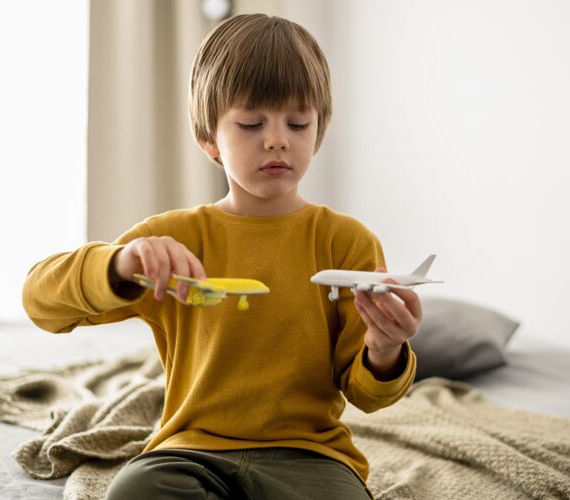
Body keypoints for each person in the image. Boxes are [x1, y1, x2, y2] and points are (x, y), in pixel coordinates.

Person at [23, 13, 422, 500]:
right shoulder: (170, 239)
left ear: (318, 130)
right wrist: (119, 264)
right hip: (190, 452)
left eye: (298, 123)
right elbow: (39, 303)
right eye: (252, 123)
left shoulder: (347, 241)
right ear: (208, 137)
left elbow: (366, 393)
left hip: (311, 457)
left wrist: (385, 351)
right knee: (133, 491)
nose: (277, 138)